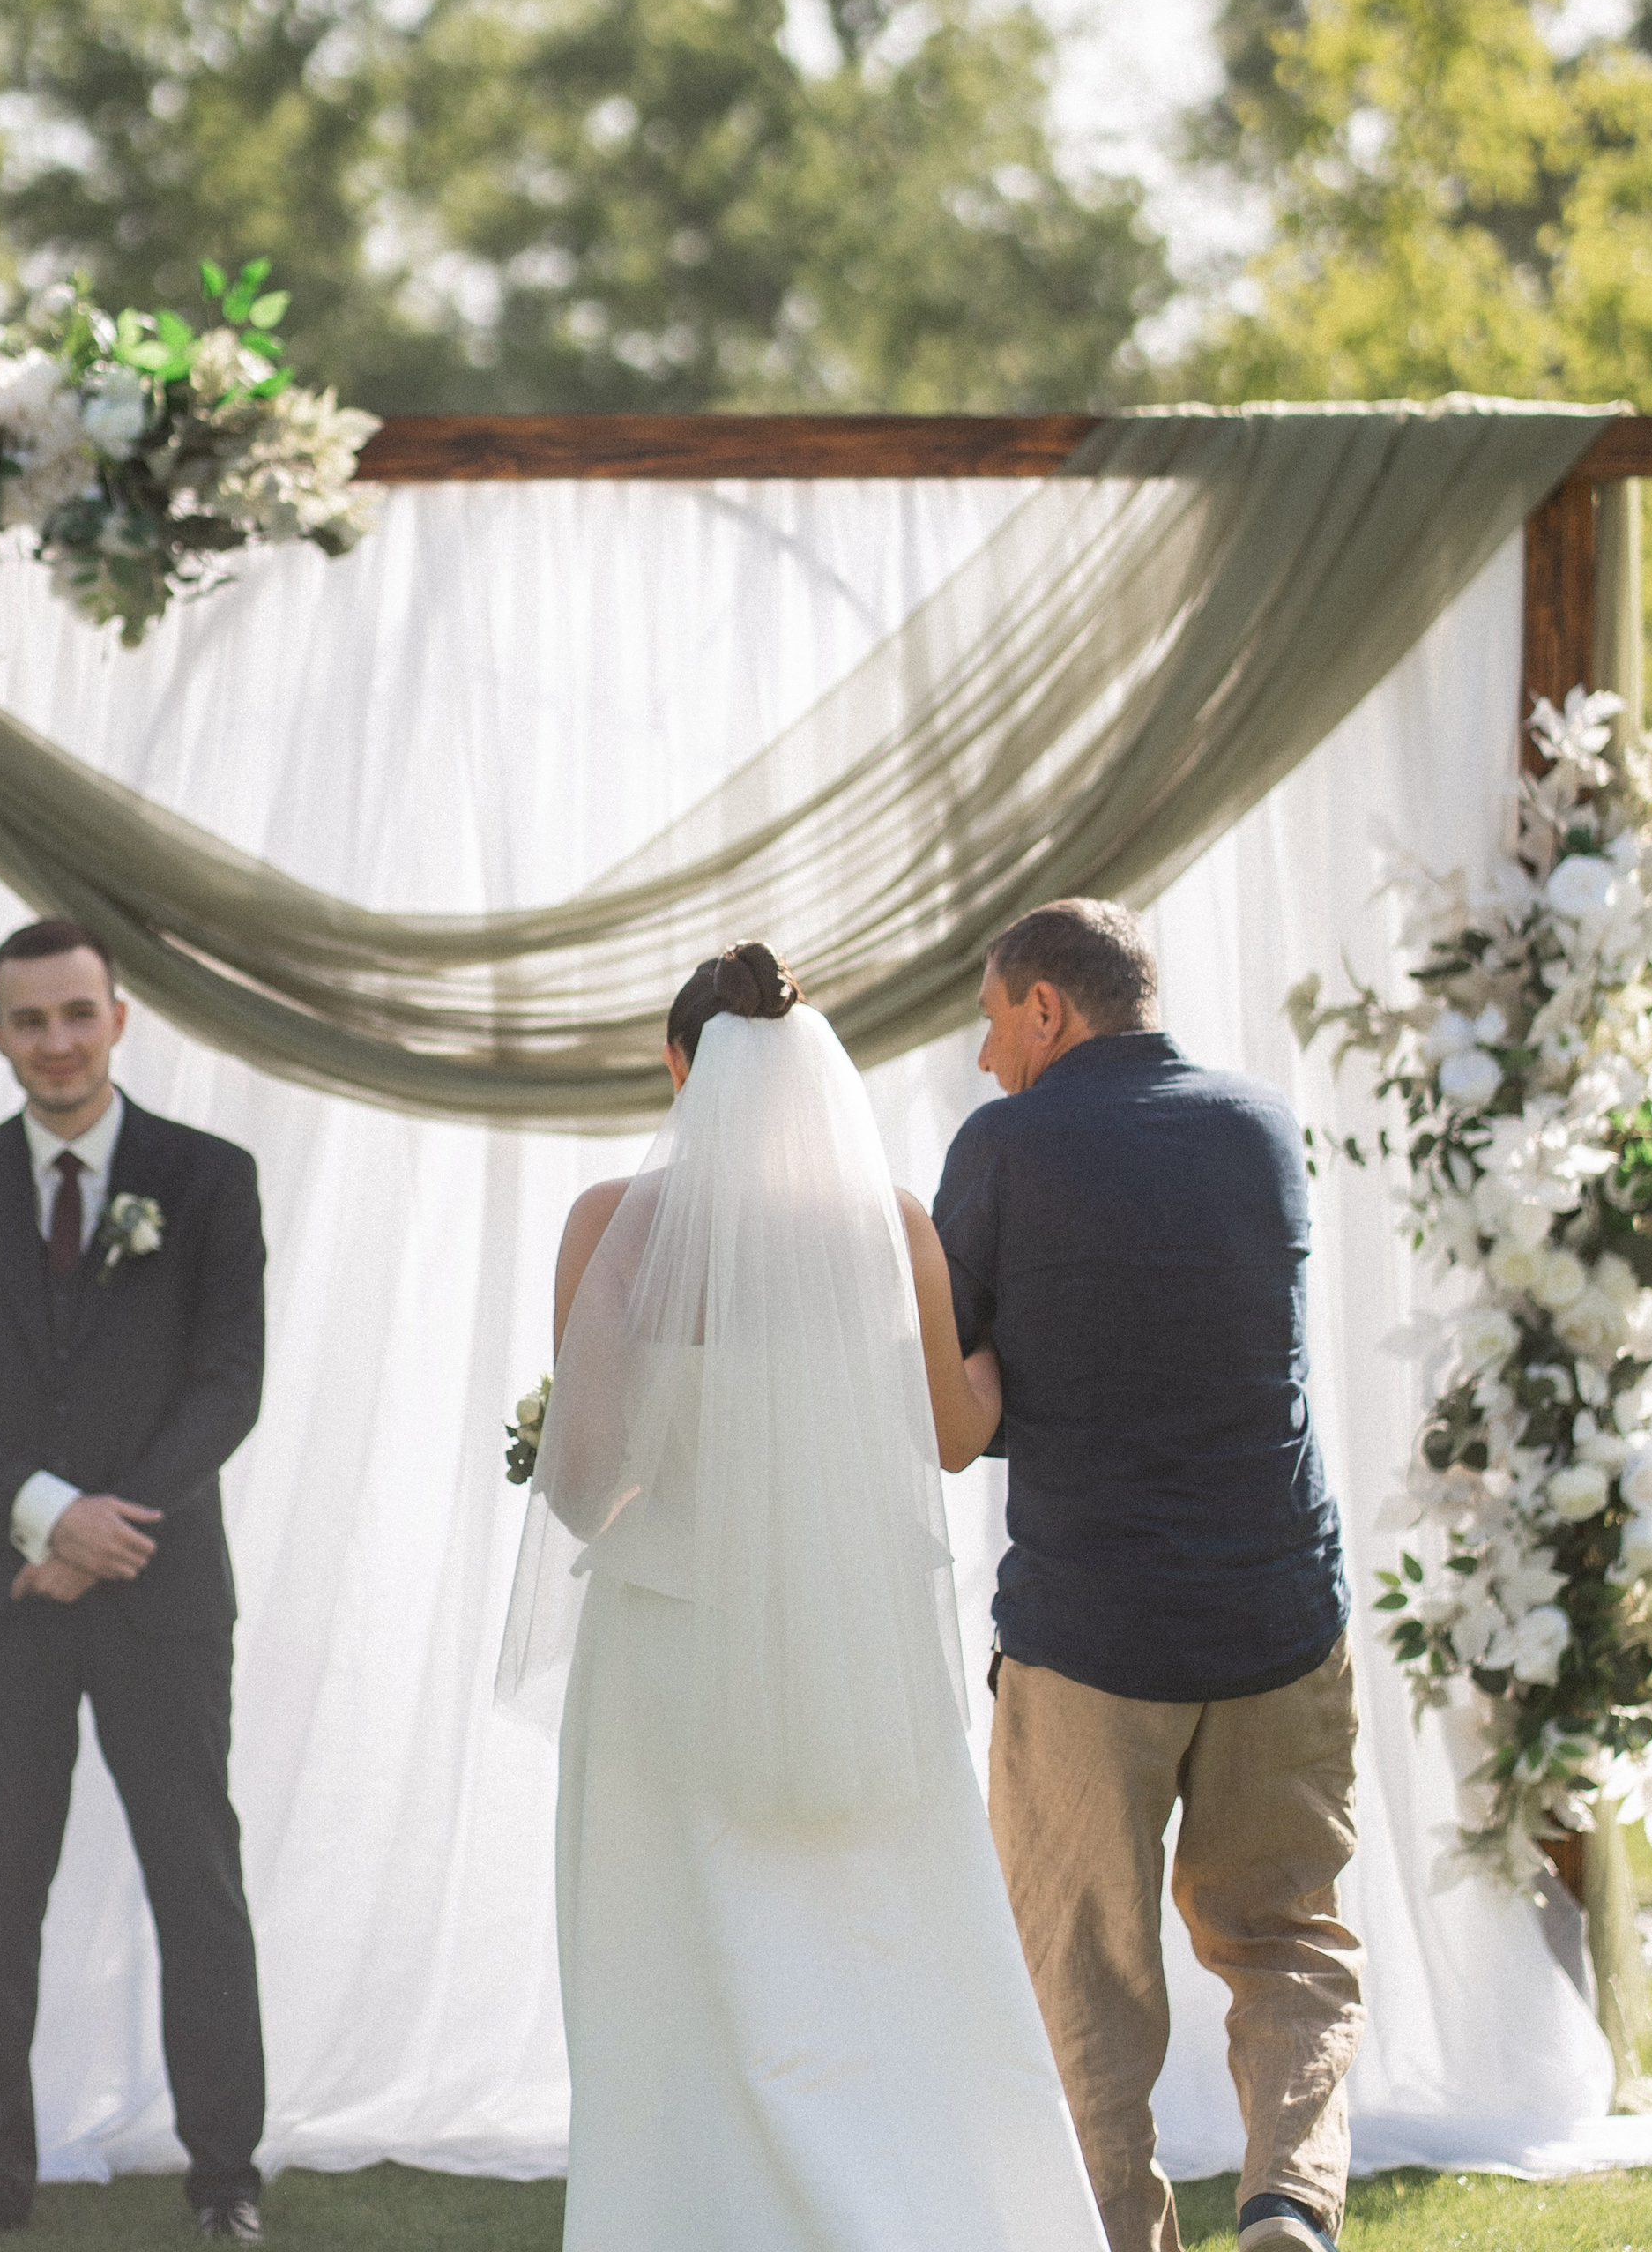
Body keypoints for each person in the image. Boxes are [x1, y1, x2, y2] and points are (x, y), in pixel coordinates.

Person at [497, 941, 1107, 2252]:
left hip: (667, 1648)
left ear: (680, 1068)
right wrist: (997, 1360)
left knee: (672, 1961)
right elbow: (954, 1436)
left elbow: (581, 1482)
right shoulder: (886, 1224)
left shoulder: (615, 1224)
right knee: (879, 1950)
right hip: (851, 1649)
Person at [932, 898, 1364, 2252]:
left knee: (1082, 1976)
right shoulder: (1262, 1128)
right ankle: (1290, 2199)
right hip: (1280, 1616)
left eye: (994, 1021)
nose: (984, 1056)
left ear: (1047, 1007)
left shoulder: (1002, 1146)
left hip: (1090, 1636)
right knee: (1290, 1939)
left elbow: (959, 1414)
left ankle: (1123, 2237)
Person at [0, 919, 269, 2244]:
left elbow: (230, 1382)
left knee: (195, 1877)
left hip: (162, 1594)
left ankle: (226, 2178)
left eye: (75, 1014)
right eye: (27, 1020)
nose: (54, 1041)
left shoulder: (209, 1179)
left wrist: (114, 1531)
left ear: (119, 1017)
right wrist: (44, 1519)